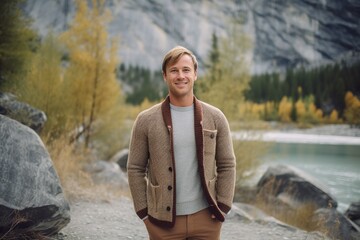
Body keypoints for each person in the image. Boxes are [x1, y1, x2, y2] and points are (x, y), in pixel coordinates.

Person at [127, 46, 236, 240]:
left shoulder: (216, 117)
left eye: (186, 70)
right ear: (165, 76)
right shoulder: (145, 120)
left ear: (195, 74)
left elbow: (227, 164)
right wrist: (144, 213)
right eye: (174, 70)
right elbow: (135, 168)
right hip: (162, 223)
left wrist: (224, 206)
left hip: (207, 220)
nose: (180, 76)